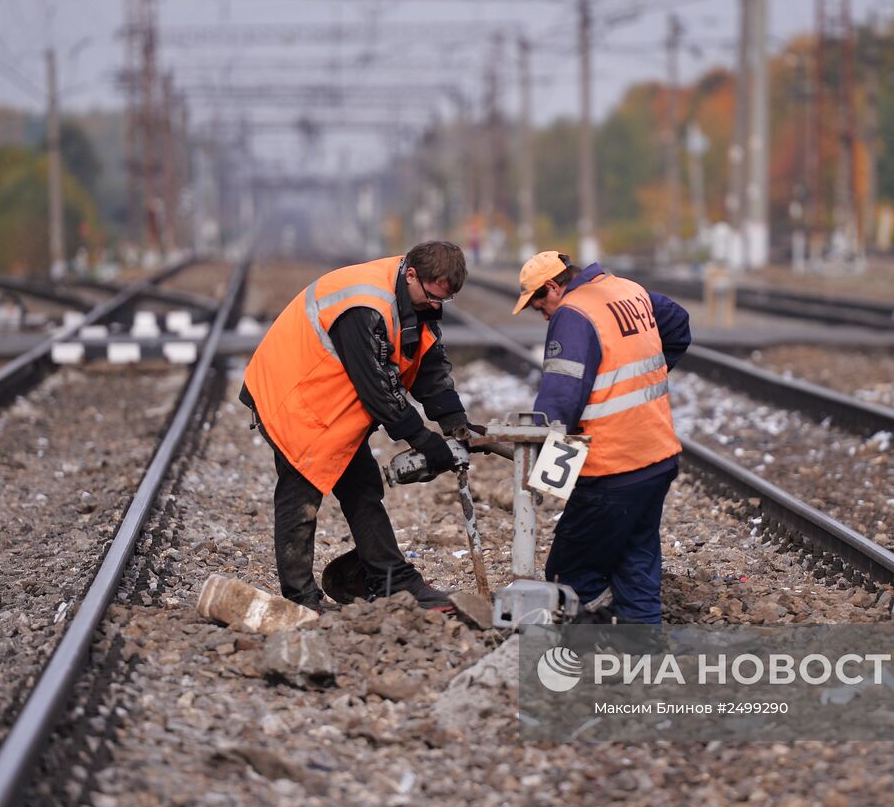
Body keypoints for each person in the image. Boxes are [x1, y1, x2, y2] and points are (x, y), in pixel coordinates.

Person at [240, 242, 478, 611]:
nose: (435, 306)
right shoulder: (364, 306)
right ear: (411, 274)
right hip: (294, 399)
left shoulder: (414, 302)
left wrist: (454, 421)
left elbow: (428, 365)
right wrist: (421, 438)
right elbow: (378, 388)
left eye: (442, 302)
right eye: (432, 297)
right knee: (300, 498)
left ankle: (393, 581)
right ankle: (300, 599)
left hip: (333, 402)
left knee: (363, 487)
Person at [512, 251, 690, 624]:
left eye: (539, 303)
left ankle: (590, 654)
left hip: (612, 467)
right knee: (635, 563)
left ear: (552, 287)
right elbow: (678, 324)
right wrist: (647, 376)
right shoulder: (625, 289)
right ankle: (643, 651)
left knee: (569, 575)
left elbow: (560, 399)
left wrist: (543, 471)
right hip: (657, 457)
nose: (542, 313)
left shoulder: (572, 314)